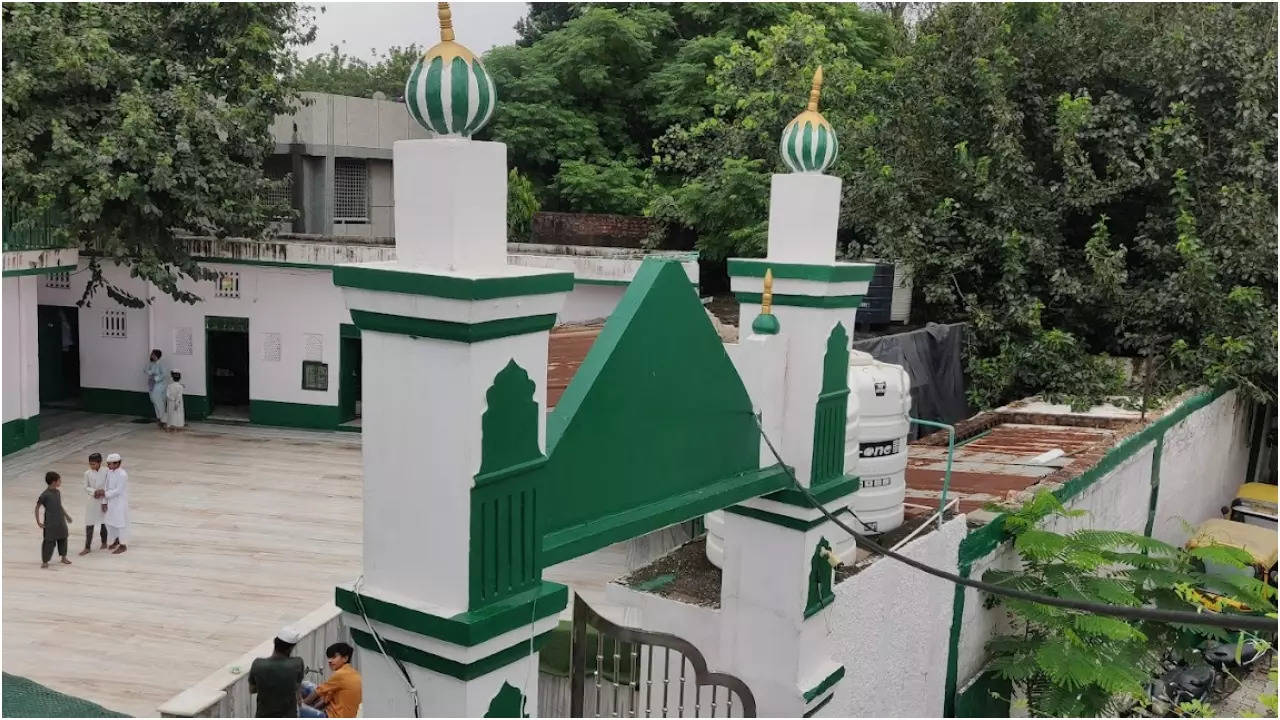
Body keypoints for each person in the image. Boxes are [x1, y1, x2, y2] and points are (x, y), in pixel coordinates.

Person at [249, 627, 305, 718]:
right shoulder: (297, 663)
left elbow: (252, 689)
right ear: (290, 648)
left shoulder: (258, 664)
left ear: (274, 642)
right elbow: (297, 686)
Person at [300, 642, 362, 718]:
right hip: (343, 714)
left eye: (334, 657)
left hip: (333, 716)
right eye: (329, 658)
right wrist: (313, 709)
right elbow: (325, 700)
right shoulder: (353, 673)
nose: (329, 661)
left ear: (345, 658)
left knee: (298, 708)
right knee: (308, 687)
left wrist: (302, 706)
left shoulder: (341, 674)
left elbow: (318, 692)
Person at [35, 471, 73, 568]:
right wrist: (38, 522)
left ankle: (63, 557)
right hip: (50, 522)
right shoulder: (45, 495)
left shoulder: (57, 492)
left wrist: (66, 516)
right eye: (59, 480)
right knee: (49, 541)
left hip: (60, 520)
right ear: (53, 482)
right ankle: (45, 561)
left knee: (63, 538)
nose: (60, 482)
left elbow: (59, 505)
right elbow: (37, 507)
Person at [80, 452, 109, 555]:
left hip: (103, 499)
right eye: (90, 464)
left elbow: (108, 484)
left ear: (99, 462)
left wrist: (102, 492)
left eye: (93, 464)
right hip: (92, 500)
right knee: (89, 523)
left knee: (103, 522)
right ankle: (87, 547)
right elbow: (85, 486)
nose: (91, 466)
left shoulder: (106, 471)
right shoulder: (87, 473)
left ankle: (104, 542)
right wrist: (94, 491)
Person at [103, 453, 129, 554]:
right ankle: (116, 540)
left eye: (112, 464)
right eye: (108, 464)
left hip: (119, 502)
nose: (109, 466)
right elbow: (106, 486)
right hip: (110, 501)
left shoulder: (122, 474)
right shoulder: (109, 472)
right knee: (110, 522)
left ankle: (123, 544)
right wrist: (104, 501)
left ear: (118, 463)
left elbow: (118, 490)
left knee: (120, 523)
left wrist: (105, 494)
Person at [145, 349, 168, 428]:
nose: (151, 356)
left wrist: (155, 378)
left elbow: (164, 374)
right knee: (154, 401)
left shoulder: (161, 364)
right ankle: (159, 418)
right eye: (151, 354)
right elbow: (146, 370)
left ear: (157, 356)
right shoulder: (151, 364)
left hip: (159, 386)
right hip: (152, 385)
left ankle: (163, 419)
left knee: (159, 402)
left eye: (153, 355)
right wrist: (150, 373)